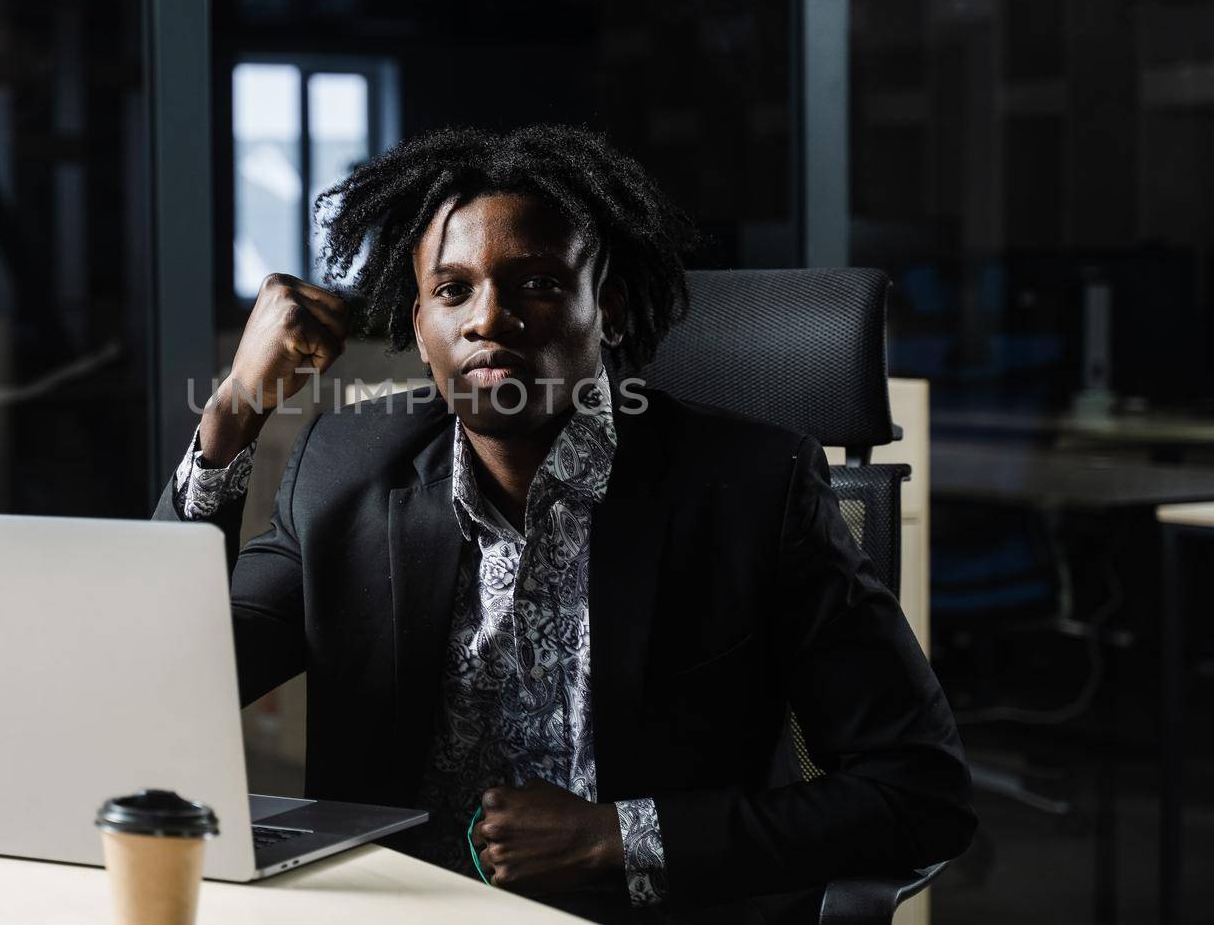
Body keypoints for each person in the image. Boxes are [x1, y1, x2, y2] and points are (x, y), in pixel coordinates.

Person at [152, 124, 975, 923]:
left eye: (538, 283)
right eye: (452, 290)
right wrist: (232, 414)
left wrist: (619, 838)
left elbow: (916, 788)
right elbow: (168, 678)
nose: (487, 318)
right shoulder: (346, 469)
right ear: (418, 329)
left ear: (608, 310)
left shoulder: (751, 488)